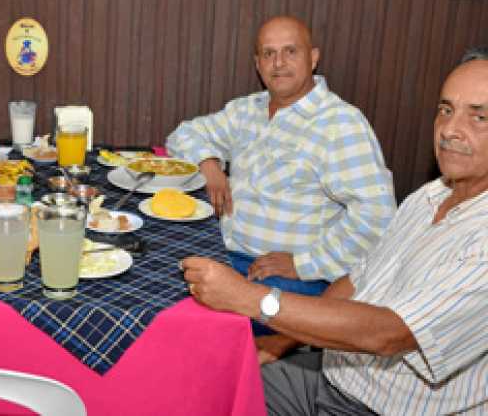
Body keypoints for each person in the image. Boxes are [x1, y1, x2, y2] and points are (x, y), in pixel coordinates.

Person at [182, 53, 488, 415]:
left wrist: (250, 298)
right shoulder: (429, 196)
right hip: (334, 376)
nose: (451, 129)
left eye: (479, 117)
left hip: (378, 408)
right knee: (201, 382)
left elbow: (389, 334)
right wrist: (282, 342)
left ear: (313, 59)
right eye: (446, 109)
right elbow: (358, 279)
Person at [166, 16, 396, 333]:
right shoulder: (248, 110)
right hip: (226, 252)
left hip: (288, 281)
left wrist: (304, 264)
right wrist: (208, 163)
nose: (279, 63)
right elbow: (184, 135)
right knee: (152, 282)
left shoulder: (340, 124)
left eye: (291, 51)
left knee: (184, 320)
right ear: (257, 64)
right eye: (268, 53)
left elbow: (378, 216)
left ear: (313, 58)